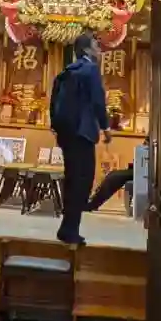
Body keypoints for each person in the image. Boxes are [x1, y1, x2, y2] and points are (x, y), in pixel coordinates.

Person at [49, 31, 109, 247]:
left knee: (72, 179)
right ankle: (69, 229)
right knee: (83, 181)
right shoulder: (90, 70)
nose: (99, 50)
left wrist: (57, 128)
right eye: (96, 45)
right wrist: (106, 127)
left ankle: (68, 227)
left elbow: (53, 101)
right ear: (86, 50)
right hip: (83, 133)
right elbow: (97, 101)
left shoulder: (66, 71)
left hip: (67, 134)